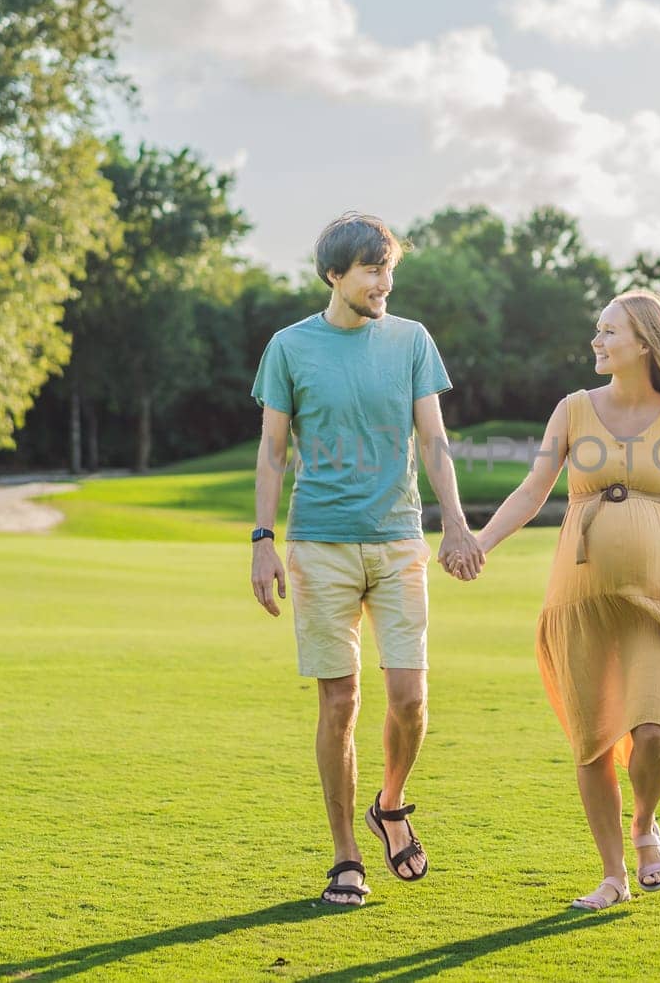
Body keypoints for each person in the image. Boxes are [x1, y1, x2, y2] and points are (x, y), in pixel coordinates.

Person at [462, 289, 660, 910]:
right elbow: (535, 488)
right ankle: (612, 877)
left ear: (643, 341)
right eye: (598, 330)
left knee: (654, 734)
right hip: (579, 597)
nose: (597, 340)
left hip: (655, 598)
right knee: (591, 740)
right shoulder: (572, 409)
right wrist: (483, 541)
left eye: (608, 331)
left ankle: (644, 827)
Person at [249, 212, 484, 907]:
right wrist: (262, 541)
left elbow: (434, 440)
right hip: (319, 543)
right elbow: (271, 451)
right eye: (370, 269)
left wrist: (457, 525)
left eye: (388, 270)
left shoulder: (411, 341)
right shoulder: (289, 347)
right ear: (333, 274)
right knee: (340, 700)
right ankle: (345, 854)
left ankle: (391, 801)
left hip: (399, 538)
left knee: (410, 698)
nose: (383, 282)